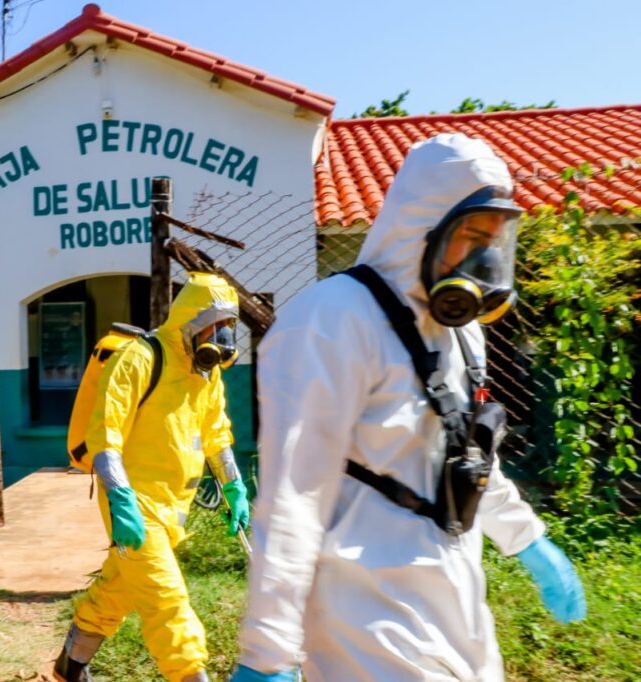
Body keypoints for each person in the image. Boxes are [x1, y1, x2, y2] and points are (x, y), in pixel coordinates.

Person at [231, 134, 586, 682]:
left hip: (456, 597)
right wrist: (269, 653)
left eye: (493, 241)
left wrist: (528, 539)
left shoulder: (461, 331)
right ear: (425, 227)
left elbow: (466, 454)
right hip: (364, 613)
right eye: (471, 236)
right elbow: (293, 496)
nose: (483, 261)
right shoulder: (331, 321)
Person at [54, 272, 251, 682]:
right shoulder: (140, 358)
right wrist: (121, 498)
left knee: (121, 586)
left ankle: (71, 661)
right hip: (134, 501)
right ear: (192, 320)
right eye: (216, 325)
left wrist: (234, 486)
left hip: (172, 506)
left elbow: (216, 432)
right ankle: (190, 673)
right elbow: (105, 434)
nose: (223, 336)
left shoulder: (205, 372)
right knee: (166, 597)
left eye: (228, 326)